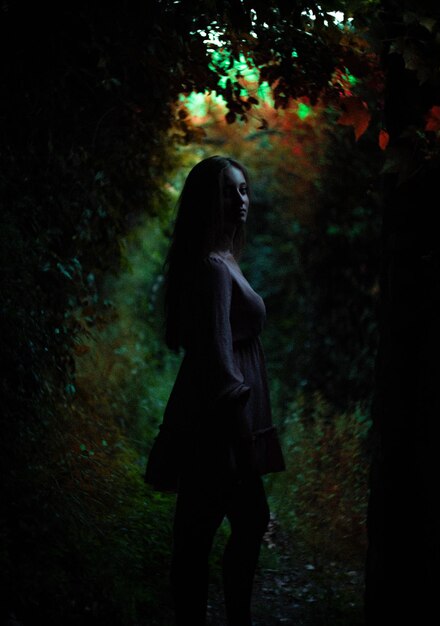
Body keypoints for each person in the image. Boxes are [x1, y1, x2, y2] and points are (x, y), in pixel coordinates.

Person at [144, 155, 285, 626]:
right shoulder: (212, 269)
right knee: (221, 529)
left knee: (205, 532)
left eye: (243, 190)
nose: (240, 200)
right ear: (208, 198)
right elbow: (222, 368)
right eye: (228, 190)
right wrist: (244, 447)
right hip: (218, 425)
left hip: (216, 421)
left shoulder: (224, 259)